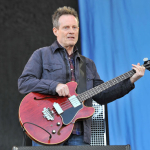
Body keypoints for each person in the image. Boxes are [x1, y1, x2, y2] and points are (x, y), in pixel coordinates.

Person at [18, 6, 145, 146]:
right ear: (56, 31)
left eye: (74, 27)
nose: (71, 31)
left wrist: (131, 80)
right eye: (66, 27)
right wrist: (54, 86)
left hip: (78, 135)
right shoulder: (41, 55)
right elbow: (24, 82)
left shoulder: (88, 64)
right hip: (47, 130)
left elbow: (102, 95)